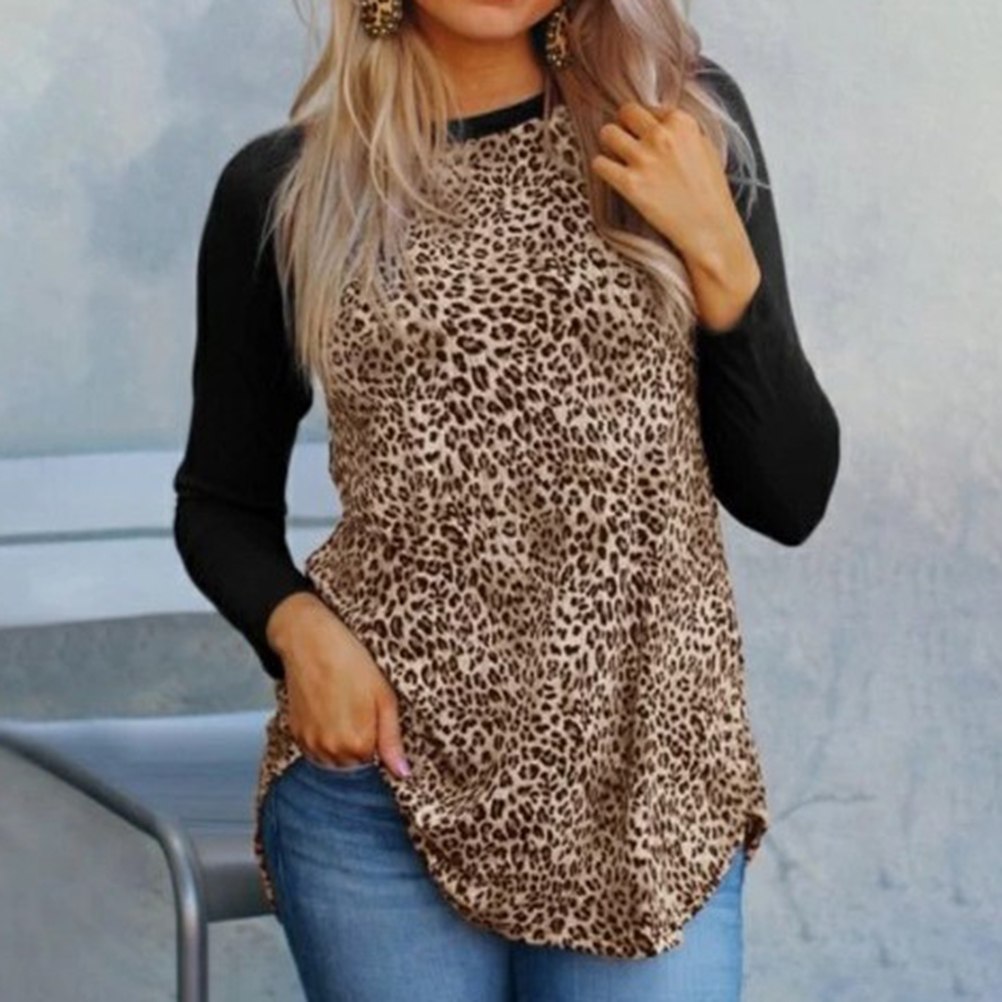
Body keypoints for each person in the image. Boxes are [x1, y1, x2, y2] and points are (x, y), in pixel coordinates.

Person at [172, 0, 841, 999]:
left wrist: (720, 256)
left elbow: (789, 496)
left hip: (647, 795)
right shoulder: (292, 188)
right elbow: (218, 502)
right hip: (385, 796)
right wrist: (299, 632)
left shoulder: (677, 128)